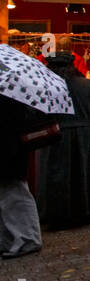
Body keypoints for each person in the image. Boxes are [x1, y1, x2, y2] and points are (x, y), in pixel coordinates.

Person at [36, 49, 90, 230]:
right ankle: (87, 211)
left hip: (56, 134)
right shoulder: (89, 85)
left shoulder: (45, 87)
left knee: (56, 174)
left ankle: (57, 214)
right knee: (85, 172)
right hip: (86, 134)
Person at [0, 97, 43, 258]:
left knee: (15, 194)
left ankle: (27, 239)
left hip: (8, 151)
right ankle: (9, 239)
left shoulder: (9, 95)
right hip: (9, 149)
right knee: (7, 196)